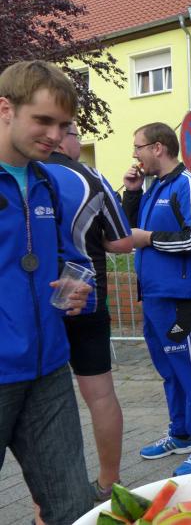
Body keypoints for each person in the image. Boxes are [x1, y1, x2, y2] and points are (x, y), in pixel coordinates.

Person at [0, 60, 93, 523]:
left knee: (73, 509)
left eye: (63, 125)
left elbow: (65, 260)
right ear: (6, 109)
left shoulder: (48, 183)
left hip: (49, 370)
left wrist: (78, 289)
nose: (56, 136)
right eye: (43, 121)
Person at [122, 122, 191, 476]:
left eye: (138, 147)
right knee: (169, 371)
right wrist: (133, 193)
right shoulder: (154, 188)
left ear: (158, 148)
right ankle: (180, 433)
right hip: (154, 296)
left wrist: (149, 238)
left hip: (182, 298)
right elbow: (129, 230)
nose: (135, 154)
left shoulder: (188, 184)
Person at [43, 122, 133, 501]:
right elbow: (121, 242)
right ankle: (108, 483)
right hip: (84, 296)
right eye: (77, 135)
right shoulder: (90, 177)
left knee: (42, 402)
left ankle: (48, 500)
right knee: (100, 395)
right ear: (63, 136)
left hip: (35, 299)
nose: (79, 142)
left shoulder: (22, 171)